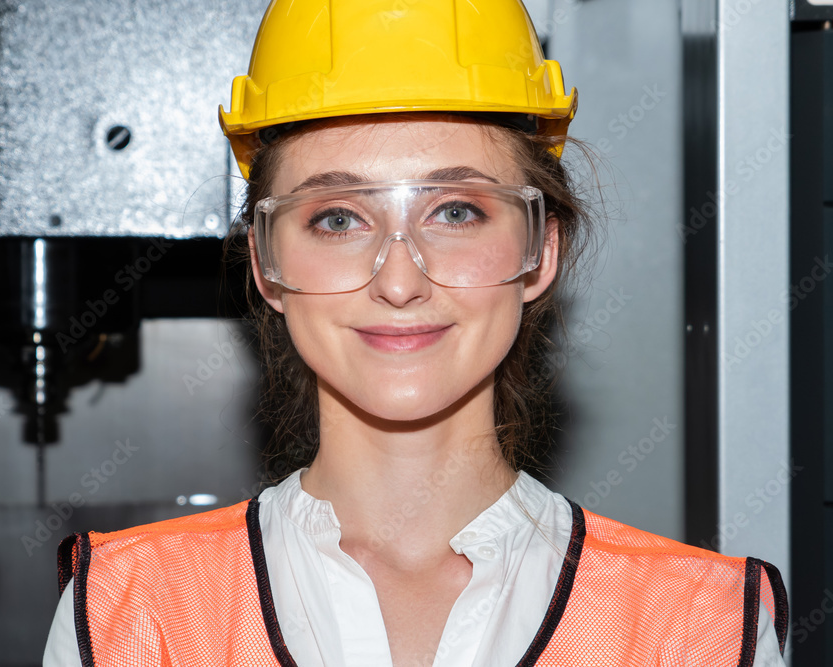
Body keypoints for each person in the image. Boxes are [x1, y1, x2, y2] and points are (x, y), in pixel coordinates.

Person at [43, 1, 789, 665]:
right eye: (337, 218)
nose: (399, 282)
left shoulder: (702, 630)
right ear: (266, 265)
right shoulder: (126, 617)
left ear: (541, 251)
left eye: (455, 211)